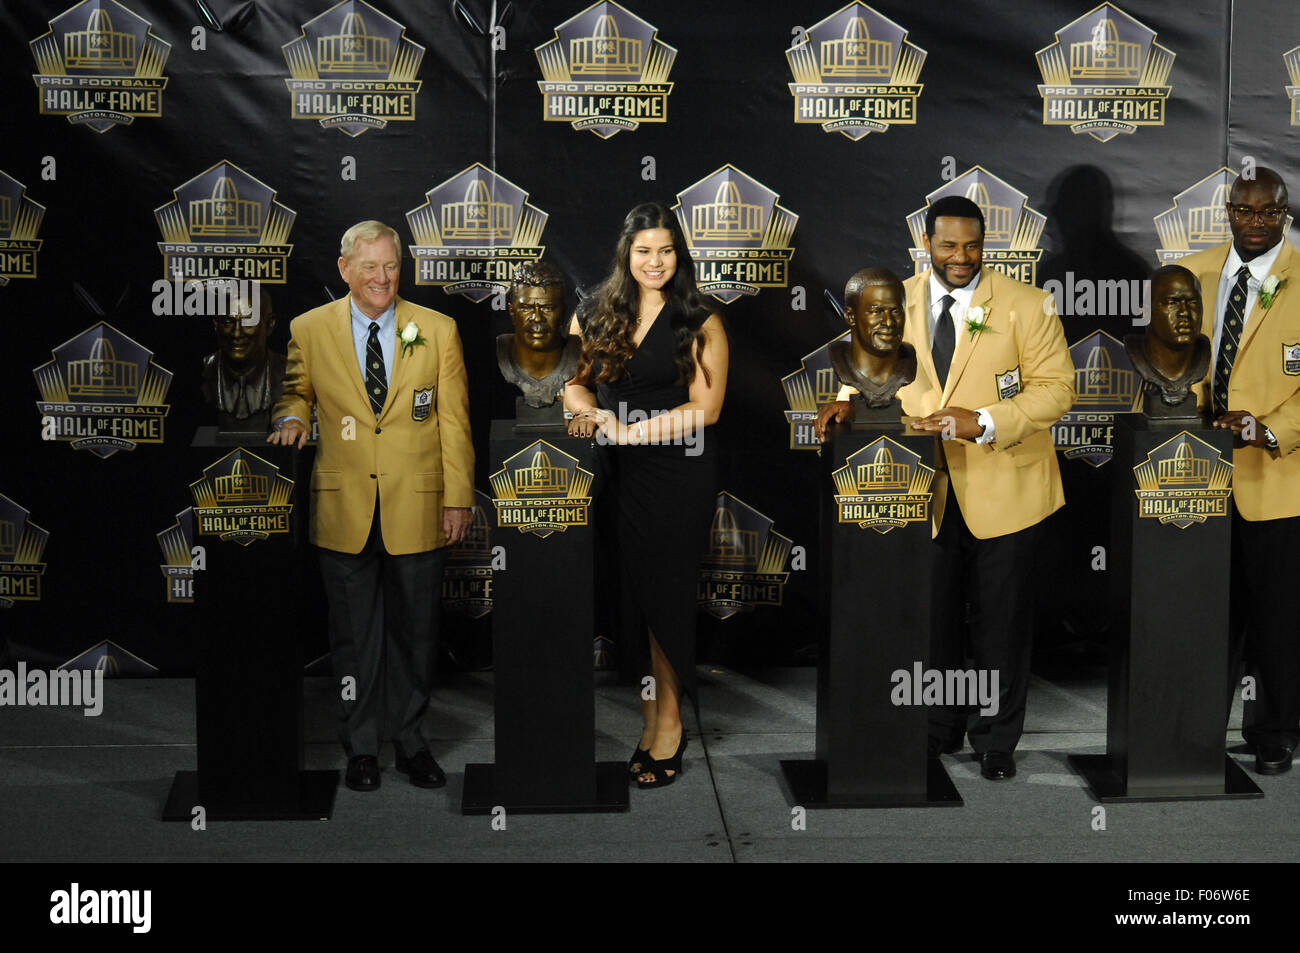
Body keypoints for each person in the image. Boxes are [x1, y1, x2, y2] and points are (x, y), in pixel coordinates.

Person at [817, 195, 1074, 780]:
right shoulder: (892, 300)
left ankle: (995, 741)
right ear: (926, 245)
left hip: (1005, 485)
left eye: (973, 245)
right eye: (949, 245)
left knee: (1000, 624)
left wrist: (981, 419)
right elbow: (871, 370)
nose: (961, 257)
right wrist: (846, 399)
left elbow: (1057, 390)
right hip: (919, 490)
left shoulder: (1026, 304)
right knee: (928, 620)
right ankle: (933, 727)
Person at [268, 220, 474, 792]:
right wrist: (290, 418)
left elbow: (454, 423)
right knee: (354, 640)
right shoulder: (309, 330)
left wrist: (457, 498)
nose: (382, 278)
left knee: (415, 634)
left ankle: (410, 742)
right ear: (344, 270)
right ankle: (360, 747)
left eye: (390, 267)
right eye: (369, 268)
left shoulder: (438, 329)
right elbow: (296, 392)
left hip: (419, 505)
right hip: (343, 508)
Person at [563, 202, 728, 789]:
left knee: (665, 597)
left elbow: (705, 409)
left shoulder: (699, 317)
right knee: (633, 599)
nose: (654, 261)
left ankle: (670, 725)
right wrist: (588, 414)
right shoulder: (596, 312)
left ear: (677, 255)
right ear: (625, 255)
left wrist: (628, 430)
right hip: (619, 475)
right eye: (643, 251)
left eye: (665, 250)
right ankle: (649, 714)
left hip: (677, 473)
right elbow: (573, 384)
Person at [1181, 167, 1300, 775]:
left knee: (1278, 620)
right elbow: (1172, 364)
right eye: (1243, 210)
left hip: (1278, 478)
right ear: (1226, 211)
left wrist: (1270, 427)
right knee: (1203, 612)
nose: (1255, 222)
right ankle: (1197, 729)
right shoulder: (1193, 275)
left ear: (1286, 213)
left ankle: (1275, 732)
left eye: (1268, 211)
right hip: (1197, 478)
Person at [827, 267, 916, 410]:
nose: (889, 322)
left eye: (896, 311)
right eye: (877, 312)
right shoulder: (841, 359)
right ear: (850, 316)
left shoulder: (908, 360)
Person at [200, 283, 285, 433]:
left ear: (270, 324)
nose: (237, 333)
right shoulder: (203, 371)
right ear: (215, 324)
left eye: (249, 322)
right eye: (228, 322)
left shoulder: (288, 373)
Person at [1123, 264, 1209, 410]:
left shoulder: (1204, 352)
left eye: (1192, 302)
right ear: (1145, 311)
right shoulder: (1136, 350)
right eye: (1172, 303)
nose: (1185, 312)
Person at [497, 259, 579, 409]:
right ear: (512, 312)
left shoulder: (579, 356)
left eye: (547, 308)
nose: (537, 317)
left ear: (563, 312)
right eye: (526, 308)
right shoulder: (499, 354)